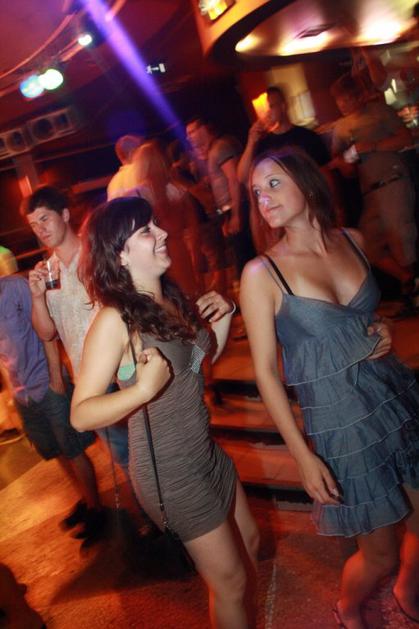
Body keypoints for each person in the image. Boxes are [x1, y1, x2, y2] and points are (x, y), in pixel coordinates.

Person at [240, 148, 419, 629]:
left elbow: (360, 320)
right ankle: (349, 607)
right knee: (378, 554)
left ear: (306, 181)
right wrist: (302, 455)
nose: (263, 198)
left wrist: (381, 327)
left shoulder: (354, 240)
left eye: (273, 183)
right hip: (343, 425)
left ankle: (407, 587)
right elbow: (266, 372)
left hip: (394, 398)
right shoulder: (262, 273)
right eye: (256, 192)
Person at [71, 197, 259, 628]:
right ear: (120, 254)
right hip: (171, 473)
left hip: (205, 452)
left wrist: (224, 317)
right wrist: (141, 390)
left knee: (249, 542)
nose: (163, 233)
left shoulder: (170, 298)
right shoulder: (115, 320)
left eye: (156, 224)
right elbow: (81, 414)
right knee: (230, 583)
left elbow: (195, 369)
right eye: (147, 231)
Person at [22, 186, 129, 542]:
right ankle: (153, 517)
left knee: (142, 448)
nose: (41, 229)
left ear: (65, 215)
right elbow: (47, 332)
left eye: (45, 219)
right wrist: (37, 298)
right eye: (34, 225)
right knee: (122, 454)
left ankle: (169, 517)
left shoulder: (96, 253)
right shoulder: (47, 272)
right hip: (88, 378)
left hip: (122, 368)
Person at [0, 274, 98, 541]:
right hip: (23, 393)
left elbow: (47, 332)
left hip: (46, 381)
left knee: (73, 448)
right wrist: (12, 395)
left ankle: (96, 509)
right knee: (55, 451)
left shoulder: (15, 287)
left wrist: (56, 378)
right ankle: (85, 499)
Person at [330, 73, 418, 309]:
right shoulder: (340, 128)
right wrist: (344, 163)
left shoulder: (379, 112)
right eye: (339, 100)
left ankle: (412, 294)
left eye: (347, 98)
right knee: (367, 244)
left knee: (401, 239)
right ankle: (408, 280)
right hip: (369, 192)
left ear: (358, 95)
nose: (343, 104)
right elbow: (347, 170)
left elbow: (405, 138)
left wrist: (372, 146)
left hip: (392, 181)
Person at [237, 86, 330, 186]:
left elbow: (326, 175)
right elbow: (242, 177)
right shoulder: (262, 144)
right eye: (264, 110)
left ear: (283, 106)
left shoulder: (308, 137)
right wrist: (251, 142)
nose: (267, 113)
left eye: (271, 107)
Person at [107, 134, 144, 200]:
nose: (144, 154)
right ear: (132, 153)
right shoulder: (143, 171)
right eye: (141, 150)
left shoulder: (112, 184)